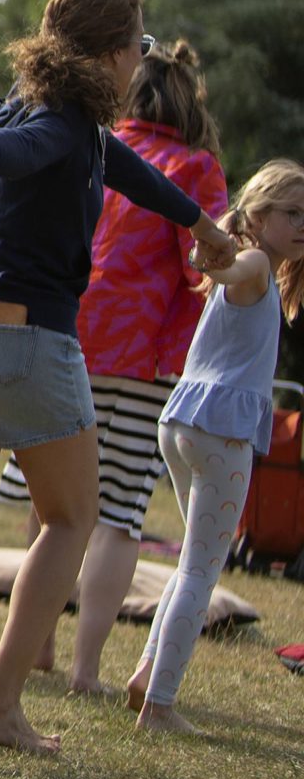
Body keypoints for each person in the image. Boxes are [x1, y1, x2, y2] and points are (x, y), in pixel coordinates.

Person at [0, 0, 237, 755]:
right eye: (139, 46)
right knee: (73, 520)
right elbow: (15, 156)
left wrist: (202, 222)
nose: (143, 59)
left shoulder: (52, 113)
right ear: (107, 53)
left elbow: (129, 171)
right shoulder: (53, 128)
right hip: (25, 345)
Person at [0, 40, 229, 694]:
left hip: (63, 333)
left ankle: (36, 646)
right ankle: (86, 670)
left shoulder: (91, 140)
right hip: (139, 358)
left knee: (53, 503)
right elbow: (199, 266)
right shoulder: (195, 166)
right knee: (118, 514)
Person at [129, 159, 303, 732]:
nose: (302, 225)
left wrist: (213, 258)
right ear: (258, 213)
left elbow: (227, 271)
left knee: (190, 563)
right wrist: (214, 256)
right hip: (219, 431)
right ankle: (159, 707)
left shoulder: (260, 268)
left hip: (182, 423)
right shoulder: (253, 261)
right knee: (203, 571)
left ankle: (145, 676)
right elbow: (234, 268)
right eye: (292, 213)